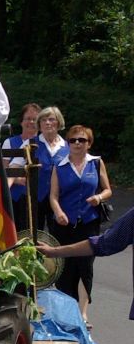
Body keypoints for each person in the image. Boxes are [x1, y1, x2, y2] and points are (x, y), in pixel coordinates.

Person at [48, 125, 112, 320]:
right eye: (73, 140)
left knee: (86, 266)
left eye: (82, 140)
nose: (77, 143)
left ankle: (83, 312)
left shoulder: (96, 163)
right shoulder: (59, 165)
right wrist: (58, 212)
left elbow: (107, 190)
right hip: (64, 225)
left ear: (89, 144)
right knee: (65, 267)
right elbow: (53, 196)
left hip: (89, 223)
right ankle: (68, 311)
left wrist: (98, 198)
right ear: (68, 143)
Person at [39, 208, 134, 323]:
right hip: (68, 224)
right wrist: (53, 251)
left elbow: (102, 244)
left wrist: (54, 251)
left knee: (85, 271)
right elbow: (103, 243)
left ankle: (82, 312)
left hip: (87, 222)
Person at [2, 103, 43, 231]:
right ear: (21, 122)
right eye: (27, 118)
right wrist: (19, 179)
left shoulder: (44, 143)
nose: (31, 122)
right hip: (15, 196)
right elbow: (4, 170)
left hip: (38, 196)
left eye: (35, 119)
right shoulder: (9, 142)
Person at [32, 106, 72, 218]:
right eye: (43, 120)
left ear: (59, 123)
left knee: (57, 233)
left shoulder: (68, 146)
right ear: (39, 124)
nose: (47, 123)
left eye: (51, 119)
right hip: (35, 198)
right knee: (36, 234)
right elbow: (15, 166)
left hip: (61, 198)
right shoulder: (30, 144)